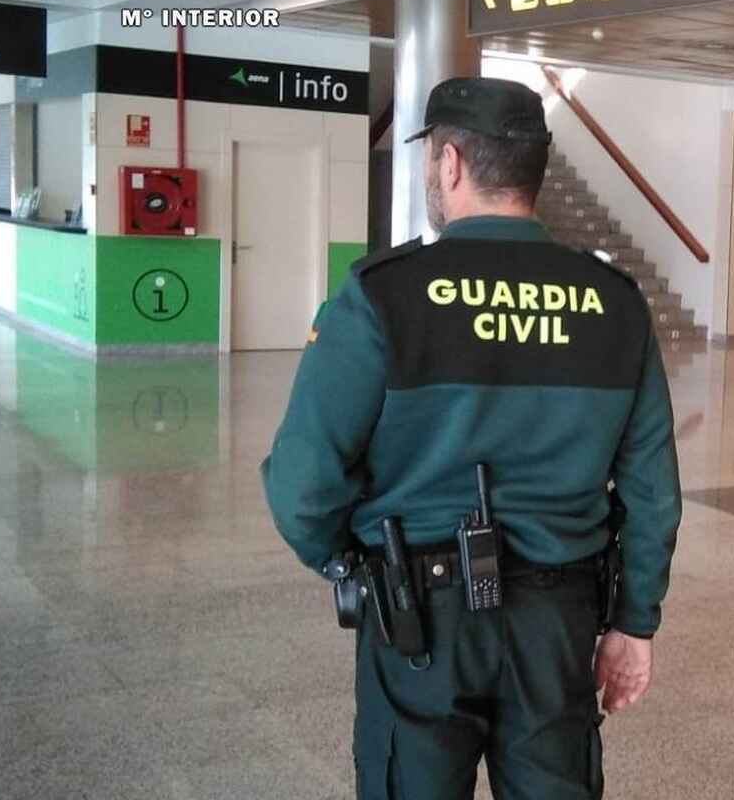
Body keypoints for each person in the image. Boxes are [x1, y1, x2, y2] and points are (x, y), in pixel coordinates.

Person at [261, 77, 681, 800]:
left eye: (429, 160)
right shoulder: (614, 303)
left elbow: (303, 480)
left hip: (418, 617)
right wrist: (632, 623)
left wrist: (344, 565)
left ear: (449, 163)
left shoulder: (381, 295)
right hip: (559, 618)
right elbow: (652, 489)